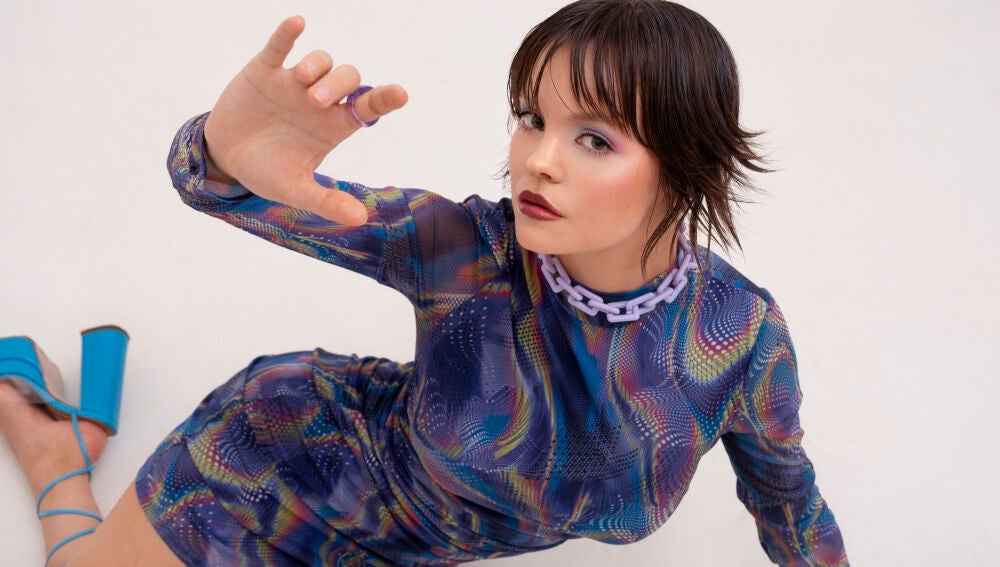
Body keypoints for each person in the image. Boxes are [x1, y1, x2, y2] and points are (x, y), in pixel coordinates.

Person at [0, 1, 849, 565]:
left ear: (686, 166)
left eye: (595, 139)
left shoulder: (738, 337)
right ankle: (56, 457)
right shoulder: (461, 247)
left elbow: (788, 501)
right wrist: (228, 154)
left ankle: (66, 439)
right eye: (533, 118)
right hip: (269, 467)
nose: (538, 160)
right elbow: (218, 189)